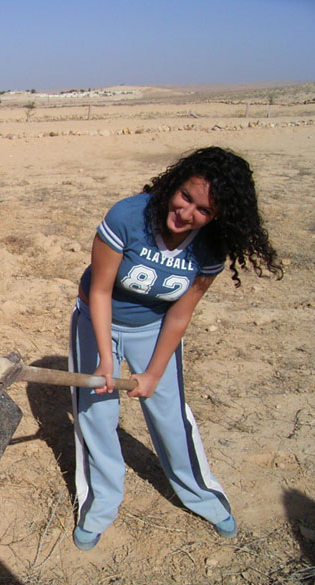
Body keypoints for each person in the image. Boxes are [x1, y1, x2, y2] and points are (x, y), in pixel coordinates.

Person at [69, 147, 283, 551]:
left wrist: (152, 374)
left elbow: (180, 315)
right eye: (185, 196)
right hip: (97, 320)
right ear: (174, 183)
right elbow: (99, 290)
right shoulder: (128, 217)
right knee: (96, 415)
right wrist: (104, 356)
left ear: (217, 215)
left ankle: (200, 494)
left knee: (169, 414)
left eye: (202, 210)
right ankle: (100, 504)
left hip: (155, 327)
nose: (186, 213)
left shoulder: (210, 247)